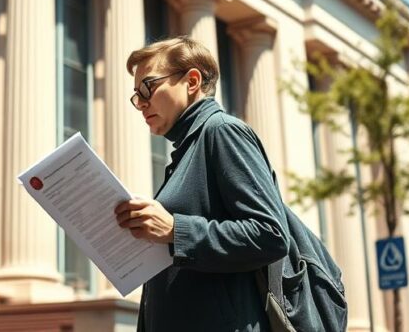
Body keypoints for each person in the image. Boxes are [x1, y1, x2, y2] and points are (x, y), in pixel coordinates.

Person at [114, 36, 288, 332]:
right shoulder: (187, 150)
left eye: (148, 87)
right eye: (136, 95)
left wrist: (174, 230)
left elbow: (270, 235)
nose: (141, 103)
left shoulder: (223, 132)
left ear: (191, 81)